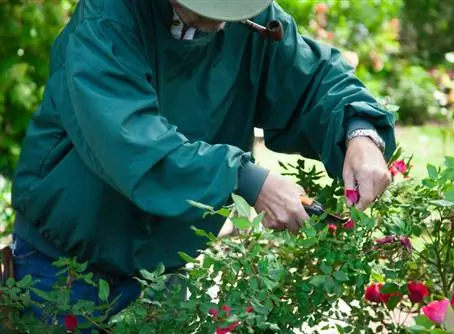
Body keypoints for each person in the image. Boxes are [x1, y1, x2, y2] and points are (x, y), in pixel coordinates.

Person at [9, 0, 396, 330]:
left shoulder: (252, 18)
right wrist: (246, 178)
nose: (220, 23)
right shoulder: (108, 19)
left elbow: (315, 80)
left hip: (164, 265)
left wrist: (360, 132)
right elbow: (129, 138)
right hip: (63, 263)